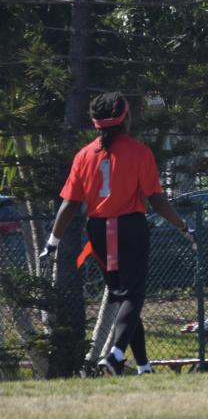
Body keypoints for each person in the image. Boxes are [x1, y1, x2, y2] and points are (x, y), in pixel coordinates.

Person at [39, 92, 195, 376]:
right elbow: (157, 200)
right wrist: (182, 226)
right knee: (133, 297)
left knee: (124, 297)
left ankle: (144, 366)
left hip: (98, 230)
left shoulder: (84, 155)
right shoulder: (139, 152)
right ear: (125, 119)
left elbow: (70, 204)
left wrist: (53, 241)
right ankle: (115, 355)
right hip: (130, 227)